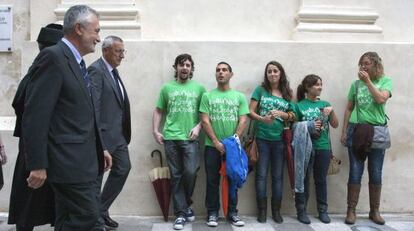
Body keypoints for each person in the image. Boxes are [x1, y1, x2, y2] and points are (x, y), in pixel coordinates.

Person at [21, 5, 112, 231]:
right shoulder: (53, 57)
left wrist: (99, 148)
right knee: (90, 223)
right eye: (96, 31)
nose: (99, 38)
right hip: (69, 166)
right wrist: (37, 164)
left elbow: (78, 115)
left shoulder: (77, 63)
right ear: (79, 29)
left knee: (69, 223)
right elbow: (35, 115)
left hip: (84, 163)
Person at [8, 23, 63, 231]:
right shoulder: (44, 71)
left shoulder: (37, 70)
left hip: (39, 147)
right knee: (29, 204)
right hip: (36, 150)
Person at [152, 54, 206, 230]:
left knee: (190, 171)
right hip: (170, 137)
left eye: (188, 65)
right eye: (181, 65)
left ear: (191, 69)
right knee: (176, 175)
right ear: (176, 67)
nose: (185, 68)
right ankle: (181, 214)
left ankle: (185, 202)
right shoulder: (167, 88)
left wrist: (198, 127)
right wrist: (155, 131)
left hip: (190, 138)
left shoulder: (199, 88)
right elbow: (159, 110)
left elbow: (206, 113)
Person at [341, 52, 392, 225]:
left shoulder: (385, 81)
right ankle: (351, 210)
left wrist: (368, 82)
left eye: (367, 63)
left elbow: (380, 99)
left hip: (377, 131)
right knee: (355, 171)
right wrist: (344, 131)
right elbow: (348, 108)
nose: (363, 67)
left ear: (376, 65)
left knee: (376, 172)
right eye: (361, 64)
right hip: (358, 131)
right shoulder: (355, 85)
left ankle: (374, 211)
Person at [89, 35, 131, 229]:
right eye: (118, 51)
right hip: (103, 137)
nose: (122, 55)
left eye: (123, 51)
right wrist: (102, 144)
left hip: (119, 136)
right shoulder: (96, 71)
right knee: (96, 181)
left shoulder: (113, 71)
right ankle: (95, 221)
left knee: (123, 168)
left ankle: (101, 209)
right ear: (105, 50)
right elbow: (94, 108)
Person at [200, 62, 249, 227]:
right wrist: (215, 141)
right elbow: (205, 120)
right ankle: (212, 213)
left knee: (232, 180)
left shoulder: (239, 97)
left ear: (231, 74)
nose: (220, 72)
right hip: (211, 146)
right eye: (218, 70)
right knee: (212, 181)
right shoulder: (207, 96)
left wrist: (233, 140)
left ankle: (232, 213)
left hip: (233, 147)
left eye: (224, 70)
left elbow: (243, 119)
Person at [248, 61, 295, 223]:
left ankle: (276, 211)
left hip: (280, 140)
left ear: (280, 73)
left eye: (275, 71)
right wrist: (263, 118)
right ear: (266, 75)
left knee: (277, 176)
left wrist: (283, 114)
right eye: (269, 71)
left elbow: (294, 116)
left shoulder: (287, 93)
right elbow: (250, 112)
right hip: (261, 139)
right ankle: (262, 211)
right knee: (260, 175)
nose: (272, 74)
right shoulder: (260, 90)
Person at [294, 74, 339, 224]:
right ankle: (301, 211)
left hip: (323, 147)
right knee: (303, 179)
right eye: (316, 84)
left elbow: (335, 125)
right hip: (305, 147)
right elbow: (294, 127)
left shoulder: (325, 103)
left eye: (321, 84)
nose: (320, 87)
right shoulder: (299, 105)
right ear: (308, 87)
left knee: (321, 180)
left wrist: (331, 111)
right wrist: (309, 125)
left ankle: (323, 211)